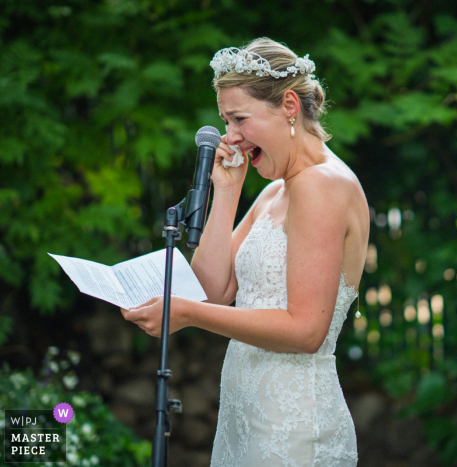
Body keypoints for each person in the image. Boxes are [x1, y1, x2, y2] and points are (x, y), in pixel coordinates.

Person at [121, 38, 368, 466]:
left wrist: (187, 314)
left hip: (292, 428)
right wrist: (228, 191)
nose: (228, 137)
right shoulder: (275, 192)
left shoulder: (322, 185)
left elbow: (306, 331)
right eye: (224, 121)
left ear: (289, 105)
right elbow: (211, 290)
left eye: (238, 119)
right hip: (246, 416)